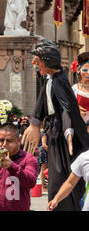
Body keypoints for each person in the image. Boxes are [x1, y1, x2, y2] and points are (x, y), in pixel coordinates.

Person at [22, 38, 89, 211]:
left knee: (63, 175)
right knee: (56, 176)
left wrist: (68, 133)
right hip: (54, 133)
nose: (34, 62)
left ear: (48, 60)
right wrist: (36, 124)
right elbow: (42, 103)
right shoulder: (50, 79)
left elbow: (67, 110)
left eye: (38, 59)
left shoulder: (59, 81)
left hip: (64, 136)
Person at [70, 51, 89, 131]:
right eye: (85, 70)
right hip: (79, 128)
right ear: (78, 70)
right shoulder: (75, 89)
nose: (88, 73)